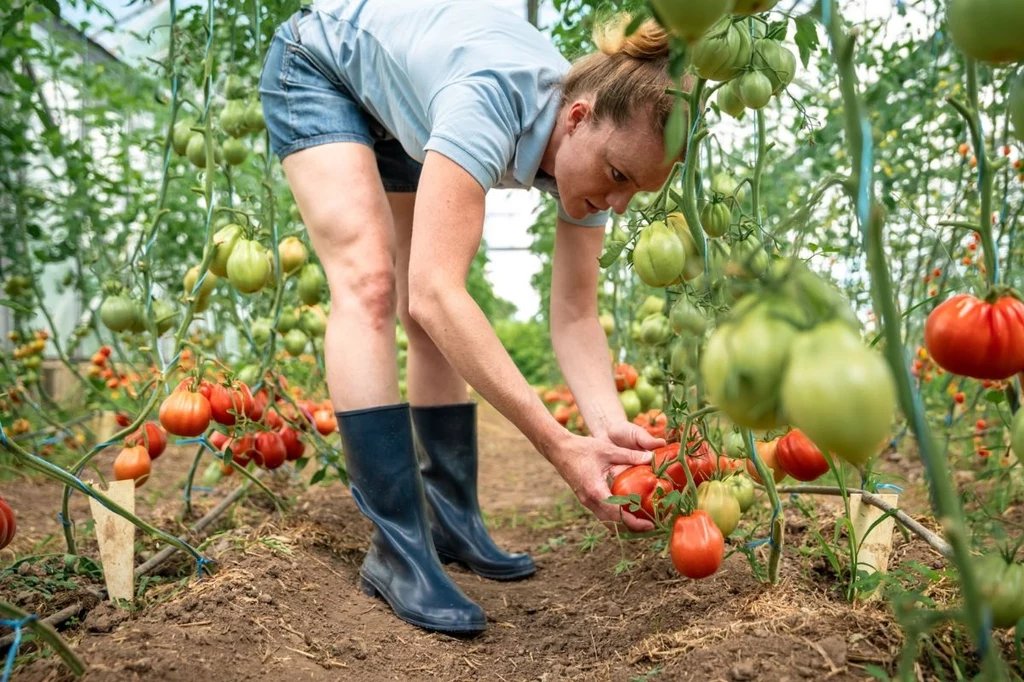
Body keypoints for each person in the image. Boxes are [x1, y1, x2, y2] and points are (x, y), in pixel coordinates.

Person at [259, 0, 681, 636]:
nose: (617, 203)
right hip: (319, 64)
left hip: (406, 94)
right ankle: (399, 552)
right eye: (617, 176)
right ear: (576, 117)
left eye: (636, 191)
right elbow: (436, 291)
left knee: (424, 313)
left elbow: (574, 314)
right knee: (373, 282)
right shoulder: (490, 99)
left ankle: (454, 521)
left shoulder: (600, 152)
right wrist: (559, 445)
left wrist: (610, 436)